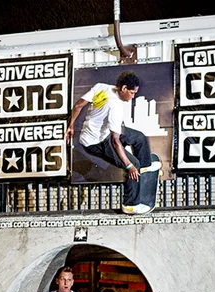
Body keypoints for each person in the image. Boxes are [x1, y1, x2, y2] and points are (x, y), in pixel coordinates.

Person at [66, 70, 161, 215]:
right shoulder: (115, 107)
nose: (133, 96)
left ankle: (145, 166)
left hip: (101, 133)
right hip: (96, 143)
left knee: (139, 137)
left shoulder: (101, 87)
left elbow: (78, 105)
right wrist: (129, 166)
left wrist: (70, 125)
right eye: (132, 93)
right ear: (123, 88)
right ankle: (131, 205)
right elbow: (115, 142)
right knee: (133, 164)